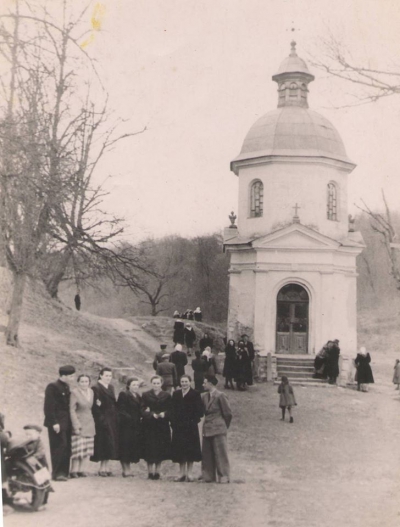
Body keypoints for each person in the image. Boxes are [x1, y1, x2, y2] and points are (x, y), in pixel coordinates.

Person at [44, 364, 76, 481]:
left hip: (66, 421)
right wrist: (54, 422)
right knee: (58, 446)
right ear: (64, 376)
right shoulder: (52, 387)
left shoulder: (66, 387)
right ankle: (57, 473)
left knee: (66, 447)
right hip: (57, 422)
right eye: (71, 376)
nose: (72, 379)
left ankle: (64, 472)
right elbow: (49, 407)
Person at [171, 375, 204, 482]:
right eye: (182, 381)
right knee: (180, 449)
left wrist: (193, 421)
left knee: (191, 449)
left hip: (190, 427)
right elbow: (172, 409)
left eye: (186, 381)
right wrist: (174, 423)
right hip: (178, 427)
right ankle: (181, 473)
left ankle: (189, 473)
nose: (184, 383)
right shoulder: (176, 394)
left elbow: (200, 410)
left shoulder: (195, 394)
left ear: (190, 382)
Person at [201, 375, 232, 483]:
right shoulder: (204, 396)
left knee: (220, 453)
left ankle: (224, 476)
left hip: (219, 428)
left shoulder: (221, 396)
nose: (203, 385)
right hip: (207, 427)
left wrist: (223, 426)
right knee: (207, 453)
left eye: (205, 383)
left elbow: (227, 413)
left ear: (211, 383)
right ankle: (208, 476)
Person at [141, 376, 172, 480]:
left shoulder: (167, 395)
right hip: (149, 425)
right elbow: (142, 409)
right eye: (154, 383)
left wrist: (165, 414)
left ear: (161, 384)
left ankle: (157, 471)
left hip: (162, 425)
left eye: (158, 383)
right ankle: (150, 472)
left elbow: (171, 409)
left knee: (160, 447)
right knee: (149, 447)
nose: (156, 385)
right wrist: (151, 414)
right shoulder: (145, 395)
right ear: (151, 383)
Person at [91, 367, 119, 476]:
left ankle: (106, 467)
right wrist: (101, 419)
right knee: (103, 442)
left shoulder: (111, 387)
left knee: (110, 443)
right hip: (102, 418)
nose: (108, 378)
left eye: (110, 376)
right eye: (106, 375)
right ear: (101, 375)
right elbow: (95, 406)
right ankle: (101, 468)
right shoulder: (96, 387)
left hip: (111, 418)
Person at [69, 374, 95, 478]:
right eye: (82, 381)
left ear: (89, 382)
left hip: (89, 422)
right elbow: (71, 409)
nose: (84, 383)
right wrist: (76, 425)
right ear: (78, 382)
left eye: (86, 381)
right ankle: (74, 470)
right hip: (79, 422)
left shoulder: (91, 392)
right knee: (77, 448)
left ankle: (83, 470)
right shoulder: (74, 393)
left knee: (86, 448)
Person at [117, 377, 143, 477]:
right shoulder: (124, 394)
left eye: (137, 385)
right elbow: (121, 410)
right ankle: (125, 470)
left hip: (135, 425)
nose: (136, 387)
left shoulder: (137, 396)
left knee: (131, 447)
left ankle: (129, 470)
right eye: (133, 385)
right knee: (125, 447)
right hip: (126, 425)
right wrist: (130, 419)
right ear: (128, 386)